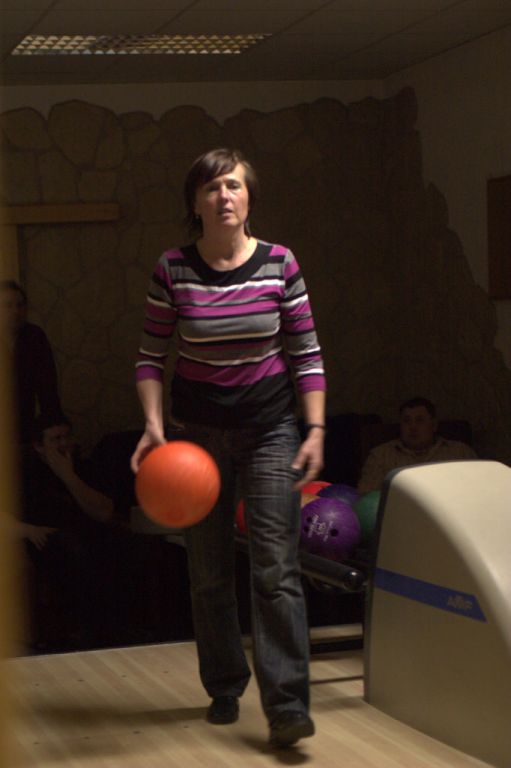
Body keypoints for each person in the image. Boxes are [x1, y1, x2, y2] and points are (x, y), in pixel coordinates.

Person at [131, 148, 326, 748]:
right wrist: (153, 427)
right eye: (212, 188)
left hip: (271, 430)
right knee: (210, 572)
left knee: (275, 570)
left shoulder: (280, 263)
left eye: (234, 186)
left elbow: (306, 354)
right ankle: (223, 684)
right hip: (196, 439)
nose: (224, 196)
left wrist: (316, 429)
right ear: (196, 202)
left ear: (249, 198)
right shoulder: (173, 268)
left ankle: (287, 706)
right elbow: (150, 357)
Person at [357, 397, 477, 494]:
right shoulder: (381, 456)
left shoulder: (460, 453)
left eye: (419, 420)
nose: (412, 427)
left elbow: (477, 491)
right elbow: (367, 497)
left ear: (434, 425)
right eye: (406, 421)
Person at [0, 279, 61, 446]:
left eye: (20, 305)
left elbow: (48, 386)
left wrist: (52, 425)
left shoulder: (34, 336)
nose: (15, 311)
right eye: (8, 305)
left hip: (25, 422)